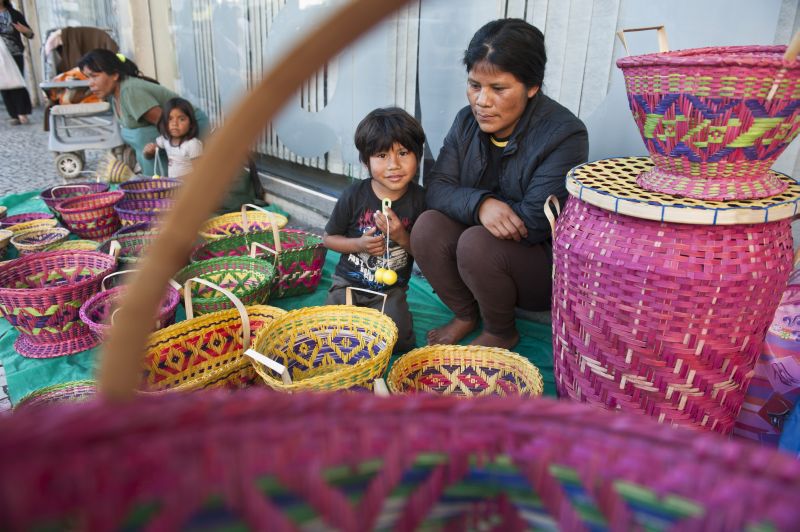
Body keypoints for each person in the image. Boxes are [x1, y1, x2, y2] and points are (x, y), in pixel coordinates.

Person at [410, 18, 588, 350]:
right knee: (427, 227)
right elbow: (437, 188)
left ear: (532, 86)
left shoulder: (565, 134)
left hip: (538, 268)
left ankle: (501, 330)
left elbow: (534, 221)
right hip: (481, 246)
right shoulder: (466, 122)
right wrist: (481, 205)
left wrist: (475, 211)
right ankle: (466, 314)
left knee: (476, 243)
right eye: (475, 85)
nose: (482, 101)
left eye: (498, 89)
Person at [323, 107, 426, 353]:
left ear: (419, 155)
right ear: (366, 161)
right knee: (332, 333)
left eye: (403, 153)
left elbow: (424, 253)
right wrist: (358, 245)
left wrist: (401, 234)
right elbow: (329, 239)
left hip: (391, 290)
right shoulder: (354, 195)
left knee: (397, 341)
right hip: (347, 283)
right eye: (382, 155)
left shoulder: (421, 201)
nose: (394, 165)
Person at [77, 49, 209, 176]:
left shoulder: (130, 92)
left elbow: (169, 124)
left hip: (190, 132)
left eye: (94, 76)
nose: (90, 83)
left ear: (115, 75)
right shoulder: (113, 95)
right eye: (87, 77)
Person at [143, 97, 203, 179]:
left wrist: (177, 180)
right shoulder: (166, 139)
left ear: (191, 123)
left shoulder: (192, 144)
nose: (174, 124)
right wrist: (149, 151)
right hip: (174, 187)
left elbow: (200, 172)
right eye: (170, 119)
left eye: (181, 119)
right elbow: (150, 154)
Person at [0, 0, 32, 125]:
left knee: (17, 82)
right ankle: (13, 115)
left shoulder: (14, 14)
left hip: (15, 52)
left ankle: (22, 112)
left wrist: (24, 30)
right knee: (3, 84)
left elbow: (30, 34)